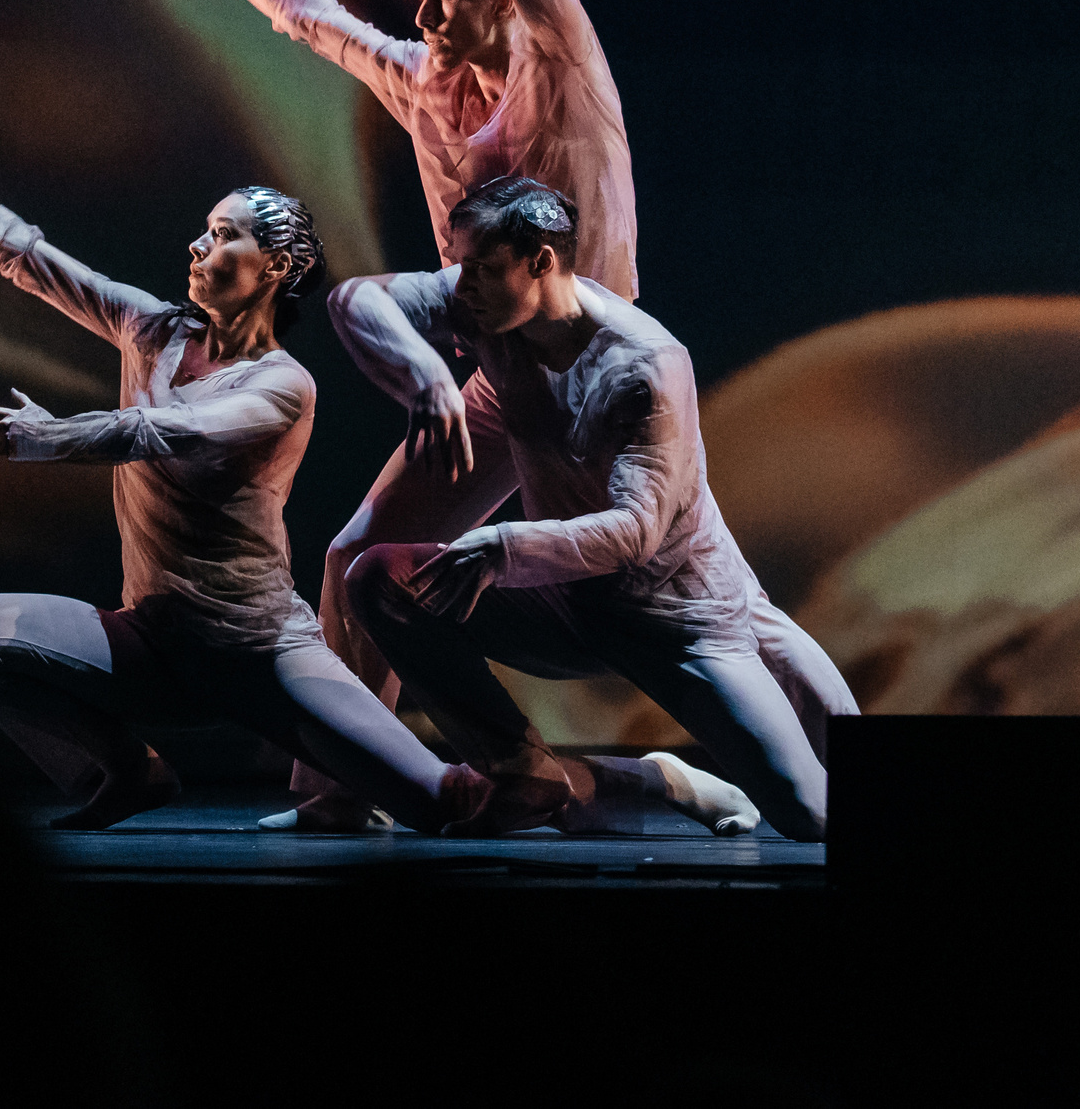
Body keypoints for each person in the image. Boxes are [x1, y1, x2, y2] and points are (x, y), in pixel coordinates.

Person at [142, 0, 641, 829]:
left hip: (605, 384)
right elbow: (309, 18)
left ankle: (742, 771)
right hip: (500, 387)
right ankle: (342, 791)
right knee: (357, 560)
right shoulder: (418, 85)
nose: (420, 14)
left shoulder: (562, 76)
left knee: (681, 607)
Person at [0, 114, 492, 832]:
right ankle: (125, 769)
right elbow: (21, 250)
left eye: (223, 233)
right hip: (150, 645)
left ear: (276, 268)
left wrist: (52, 437)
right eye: (205, 228)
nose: (198, 243)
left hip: (263, 658)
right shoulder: (151, 330)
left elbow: (164, 430)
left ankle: (609, 779)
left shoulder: (283, 384)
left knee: (446, 806)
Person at [326, 175, 856, 840]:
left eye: (484, 269)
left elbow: (635, 531)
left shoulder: (645, 363)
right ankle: (524, 770)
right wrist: (427, 373)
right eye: (459, 266)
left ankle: (652, 777)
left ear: (543, 261)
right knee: (379, 578)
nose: (463, 286)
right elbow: (356, 300)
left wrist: (504, 547)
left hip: (680, 621)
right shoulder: (486, 308)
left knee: (813, 814)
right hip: (566, 603)